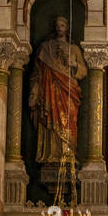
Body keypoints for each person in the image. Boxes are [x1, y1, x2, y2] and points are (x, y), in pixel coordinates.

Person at [28, 15, 88, 162]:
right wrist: (34, 92)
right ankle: (51, 154)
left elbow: (84, 71)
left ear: (66, 28)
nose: (59, 28)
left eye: (62, 25)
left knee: (67, 119)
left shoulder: (73, 49)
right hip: (49, 90)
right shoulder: (46, 48)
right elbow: (37, 73)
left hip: (68, 90)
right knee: (50, 118)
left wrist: (74, 64)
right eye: (57, 25)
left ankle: (68, 153)